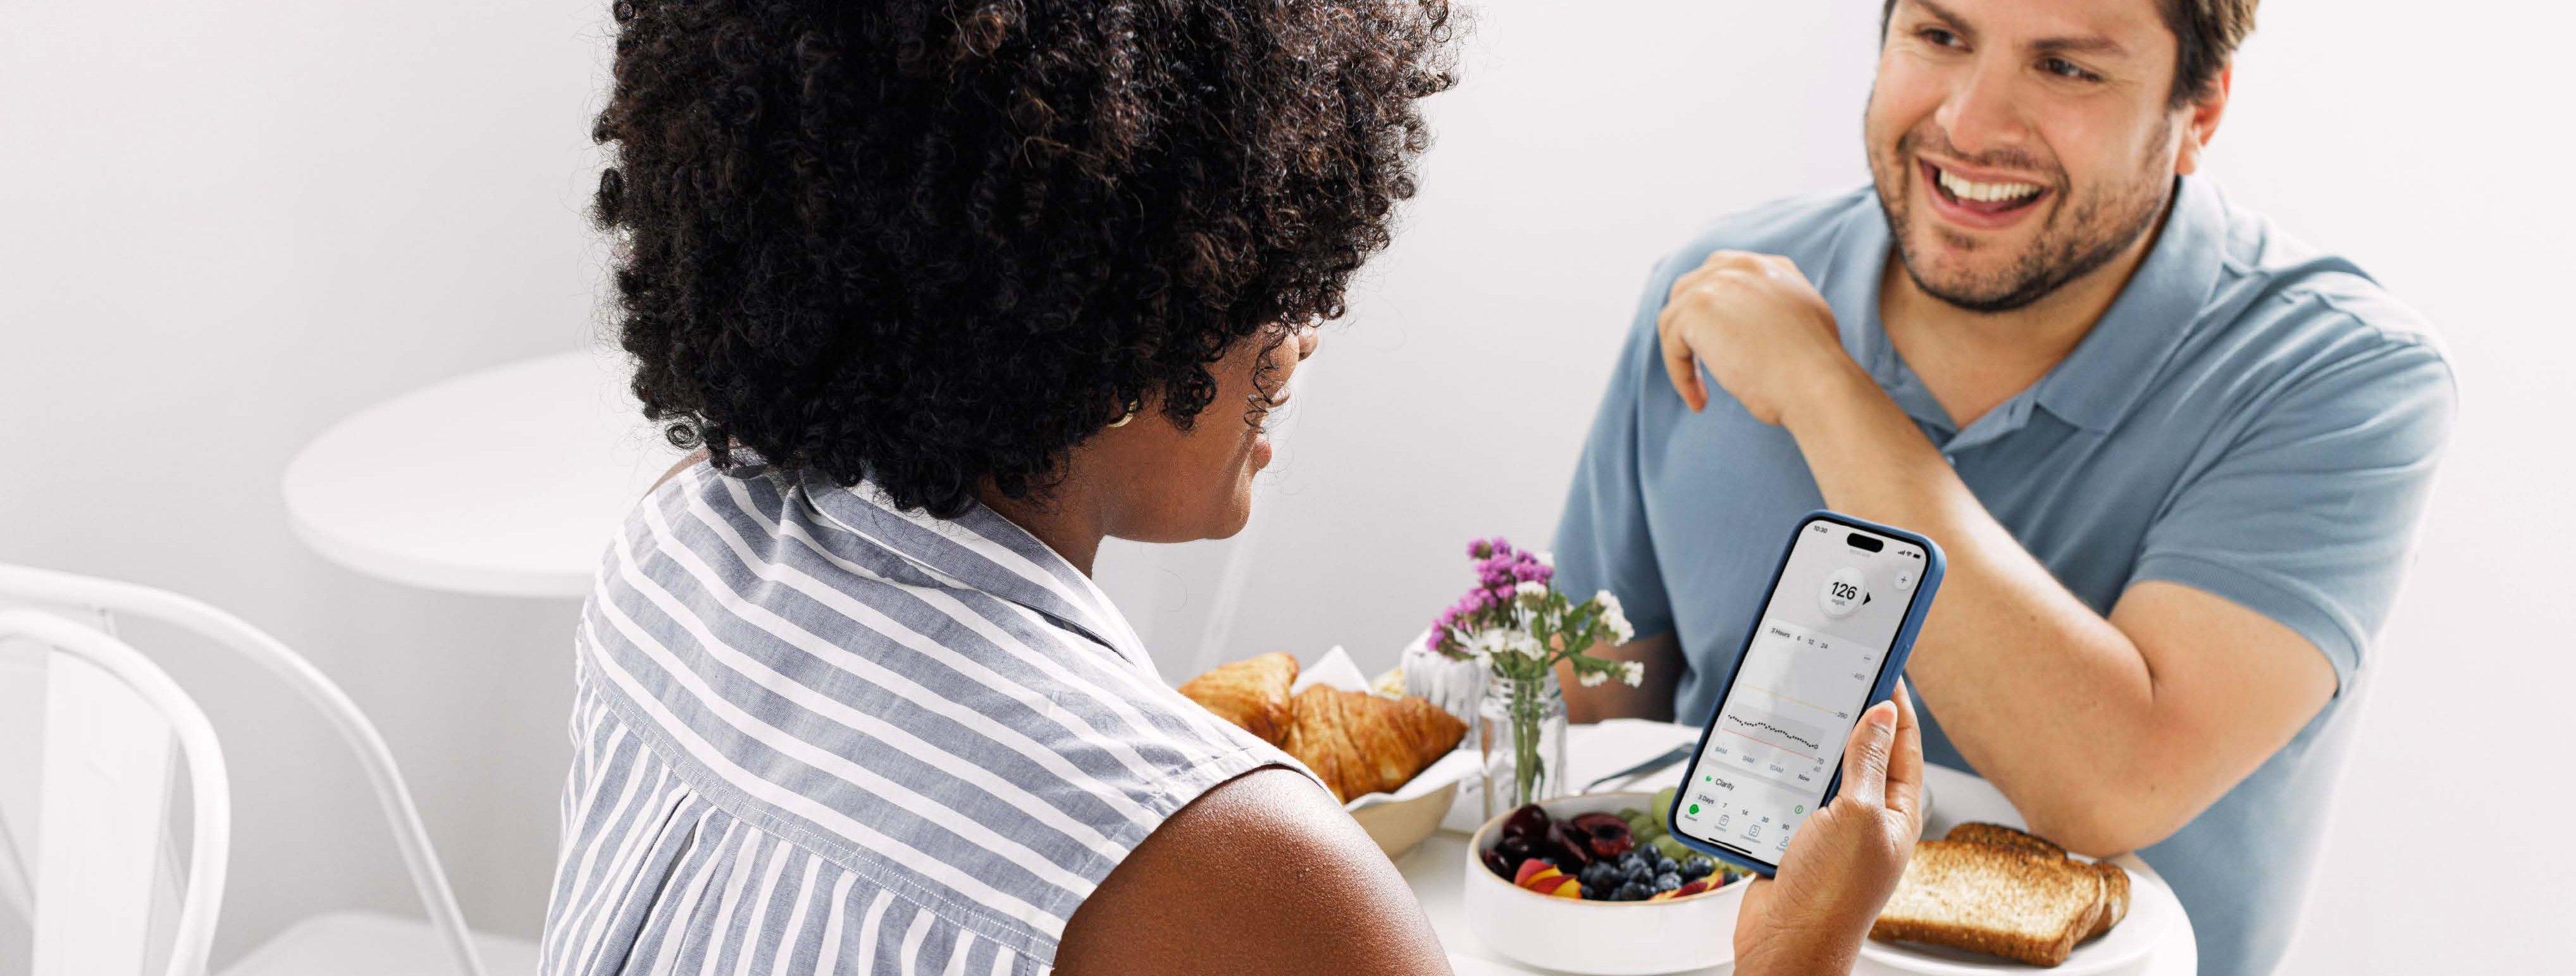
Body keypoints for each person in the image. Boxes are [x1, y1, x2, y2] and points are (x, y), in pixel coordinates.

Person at [542, 2, 1918, 973]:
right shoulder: (1228, 861)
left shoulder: (676, 545)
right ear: (1094, 308)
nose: (1299, 332)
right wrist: (1794, 950)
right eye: (1256, 278)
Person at [1552, 1, 2455, 975]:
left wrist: (1824, 391)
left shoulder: (2342, 378)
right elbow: (1602, 709)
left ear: (2200, 111)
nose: (1972, 125)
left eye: (2066, 67)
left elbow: (2113, 787)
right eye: (1940, 37)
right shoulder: (1715, 295)